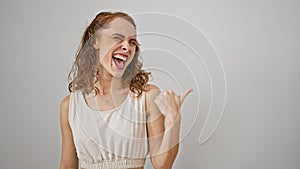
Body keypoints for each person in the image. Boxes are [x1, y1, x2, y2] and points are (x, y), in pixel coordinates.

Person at [59, 11, 192, 169]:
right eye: (117, 38)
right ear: (95, 42)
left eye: (132, 42)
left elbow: (162, 164)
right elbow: (67, 166)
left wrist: (173, 120)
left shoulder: (146, 97)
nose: (127, 47)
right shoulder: (70, 106)